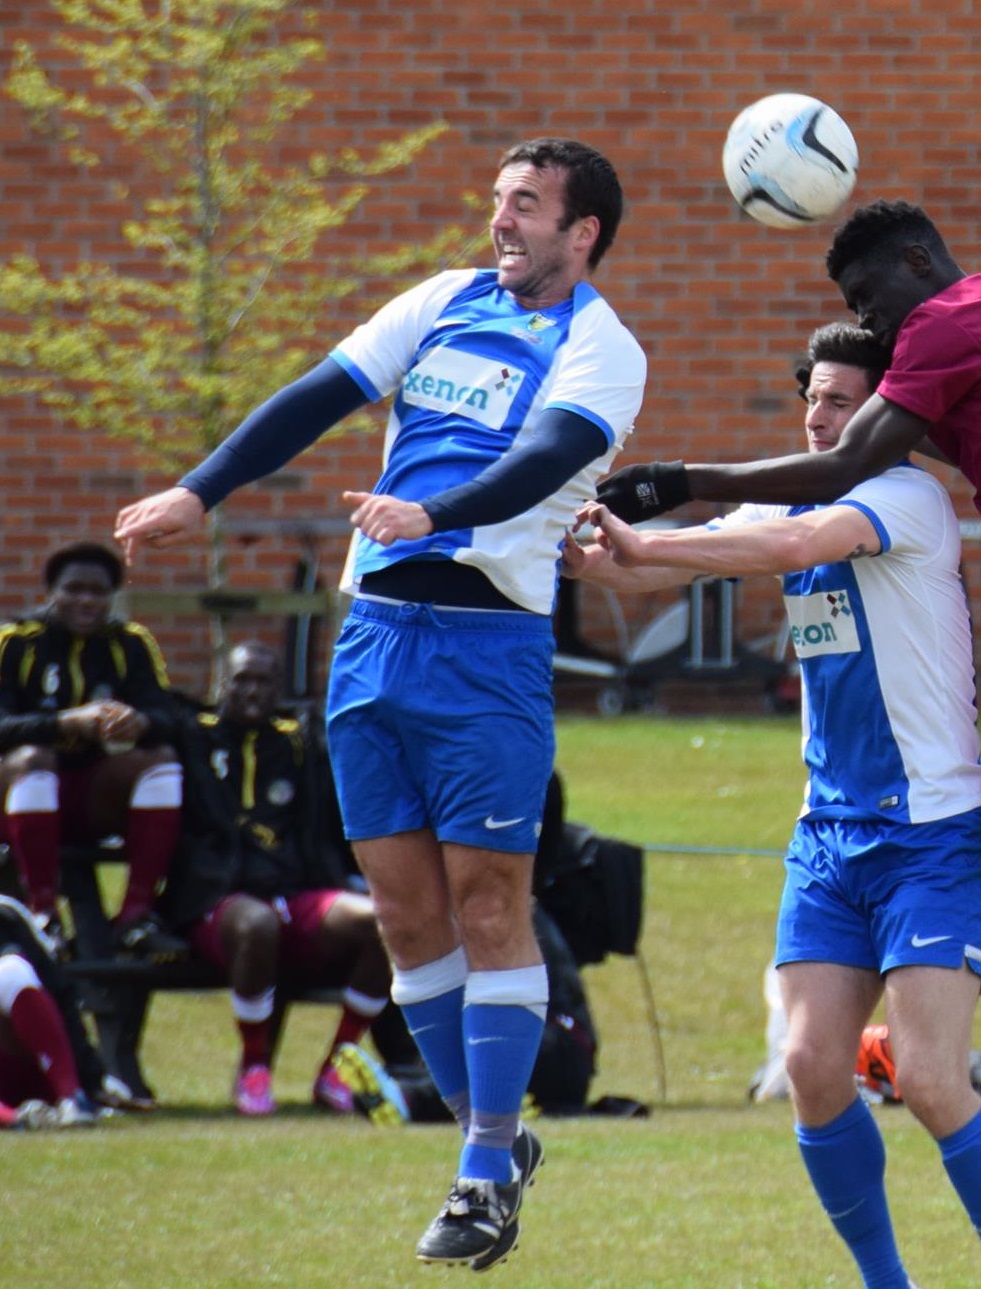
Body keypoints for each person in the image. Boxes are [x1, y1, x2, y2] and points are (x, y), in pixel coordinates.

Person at [596, 200, 981, 1286]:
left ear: (919, 263)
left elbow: (825, 490)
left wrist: (678, 481)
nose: (839, 402)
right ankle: (935, 1050)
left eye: (871, 304)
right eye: (820, 394)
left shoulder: (935, 360)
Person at [113, 137, 645, 1270]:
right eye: (498, 200)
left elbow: (547, 458)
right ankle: (492, 1155)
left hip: (488, 652)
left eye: (526, 206)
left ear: (581, 231)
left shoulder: (602, 348)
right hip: (373, 645)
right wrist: (198, 490)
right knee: (405, 916)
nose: (500, 221)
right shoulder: (443, 300)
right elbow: (320, 395)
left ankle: (480, 1168)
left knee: (489, 904)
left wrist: (433, 512)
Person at [572, 321, 981, 1289]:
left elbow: (791, 539)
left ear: (887, 414)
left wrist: (672, 513)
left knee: (926, 1077)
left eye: (842, 399)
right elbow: (664, 559)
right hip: (829, 837)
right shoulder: (794, 502)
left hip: (934, 835)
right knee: (811, 1063)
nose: (819, 413)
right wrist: (595, 546)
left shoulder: (906, 494)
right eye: (814, 396)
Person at [163, 641, 391, 1117]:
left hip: (295, 894)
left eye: (264, 682)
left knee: (388, 922)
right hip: (219, 903)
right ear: (219, 684)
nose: (252, 691)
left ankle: (336, 1068)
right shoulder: (192, 736)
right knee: (258, 924)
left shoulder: (299, 744)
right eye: (241, 679)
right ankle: (254, 1068)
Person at [0, 542, 187, 958]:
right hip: (16, 798)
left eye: (99, 592)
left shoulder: (130, 643)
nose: (86, 600)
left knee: (161, 762)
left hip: (90, 799)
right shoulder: (15, 642)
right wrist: (64, 723)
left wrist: (141, 722)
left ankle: (136, 914)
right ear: (52, 591)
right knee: (35, 759)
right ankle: (42, 914)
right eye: (74, 589)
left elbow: (171, 717)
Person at [0, 895, 110, 1129]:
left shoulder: (6, 915)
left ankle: (72, 1099)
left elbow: (60, 994)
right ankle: (16, 1120)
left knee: (13, 971)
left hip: (29, 1070)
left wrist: (89, 1078)